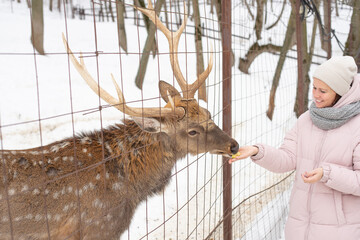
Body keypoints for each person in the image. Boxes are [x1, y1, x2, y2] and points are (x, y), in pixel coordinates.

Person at [230, 56, 360, 240]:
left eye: (323, 91)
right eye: (314, 87)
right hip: (299, 228)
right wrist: (258, 151)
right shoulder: (307, 120)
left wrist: (327, 174)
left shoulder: (357, 127)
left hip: (339, 231)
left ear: (341, 93)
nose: (315, 95)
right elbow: (288, 158)